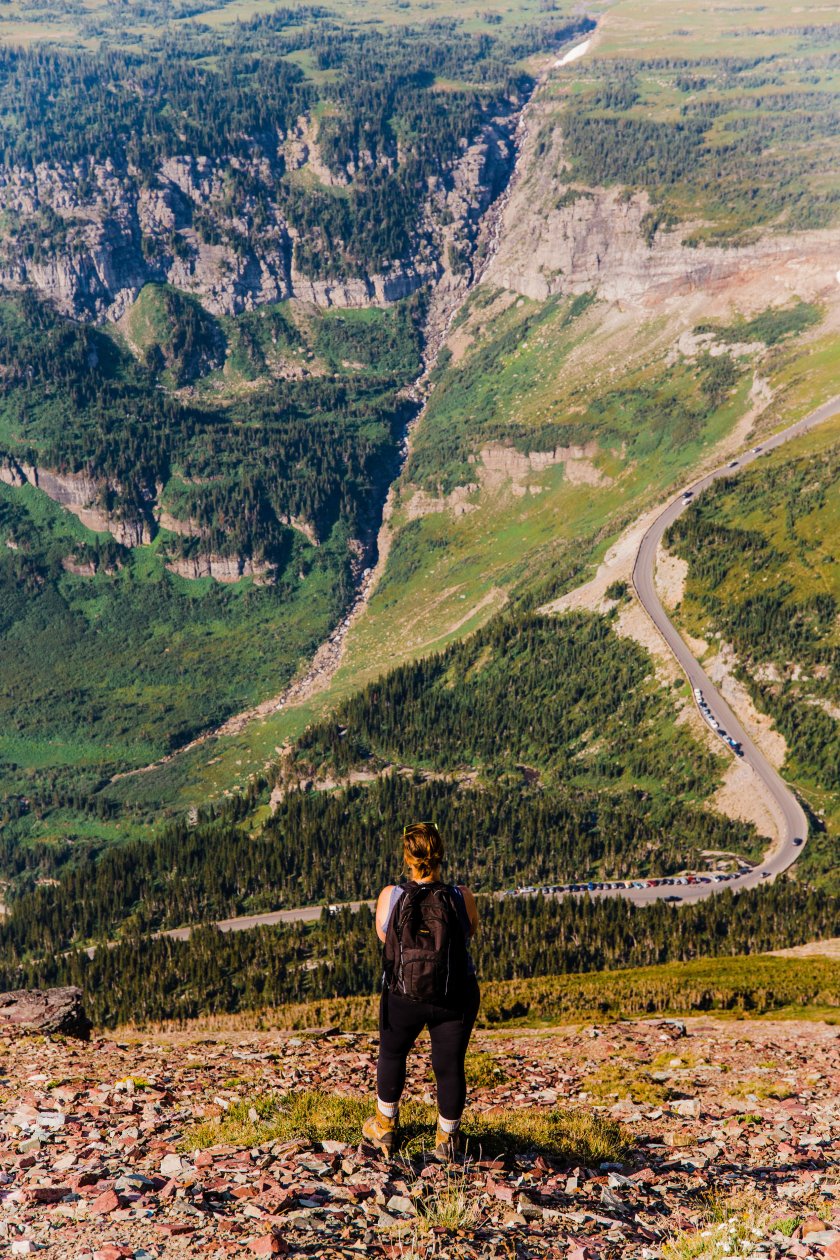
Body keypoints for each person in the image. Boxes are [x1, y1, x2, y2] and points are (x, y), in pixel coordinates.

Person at [362, 822, 480, 1160]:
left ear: (407, 858)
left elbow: (384, 936)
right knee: (449, 1064)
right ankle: (447, 1139)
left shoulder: (391, 895)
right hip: (454, 994)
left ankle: (385, 1126)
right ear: (440, 854)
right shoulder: (460, 895)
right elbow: (469, 931)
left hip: (403, 994)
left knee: (392, 1054)